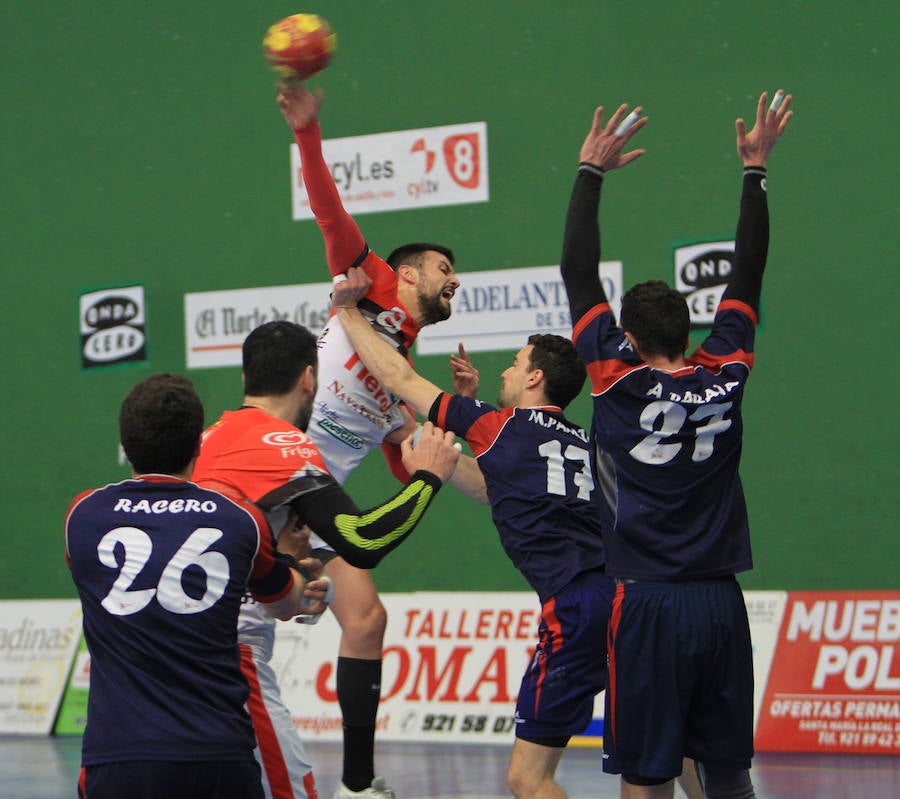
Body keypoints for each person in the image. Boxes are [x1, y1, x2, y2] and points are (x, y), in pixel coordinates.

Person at [330, 269, 702, 799]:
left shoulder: (497, 425)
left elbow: (399, 379)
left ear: (534, 379)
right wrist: (431, 448)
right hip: (637, 599)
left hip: (577, 606)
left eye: (514, 364)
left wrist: (346, 312)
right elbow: (492, 488)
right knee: (656, 759)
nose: (506, 372)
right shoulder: (587, 441)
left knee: (528, 780)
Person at [559, 91, 793, 799]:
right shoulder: (724, 369)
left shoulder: (612, 376)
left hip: (649, 601)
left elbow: (577, 270)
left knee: (648, 768)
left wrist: (589, 172)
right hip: (722, 602)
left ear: (628, 338)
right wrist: (754, 170)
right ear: (690, 333)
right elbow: (748, 268)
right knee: (726, 768)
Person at [275, 81, 469, 799]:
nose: (455, 282)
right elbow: (329, 209)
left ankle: (356, 784)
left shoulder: (400, 372)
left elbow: (403, 459)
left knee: (366, 618)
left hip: (317, 499)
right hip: (276, 474)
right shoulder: (372, 280)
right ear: (410, 270)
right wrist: (308, 132)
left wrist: (453, 422)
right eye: (447, 271)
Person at [191, 319, 461, 799]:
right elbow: (363, 541)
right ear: (309, 380)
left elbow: (230, 546)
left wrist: (289, 576)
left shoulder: (210, 439)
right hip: (230, 658)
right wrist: (429, 479)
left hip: (153, 654)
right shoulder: (287, 446)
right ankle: (356, 786)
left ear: (244, 380)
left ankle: (358, 783)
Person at [65, 374, 324, 799]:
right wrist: (306, 583)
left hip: (119, 757)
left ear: (126, 447)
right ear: (198, 447)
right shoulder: (239, 521)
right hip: (218, 755)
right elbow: (283, 601)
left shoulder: (83, 516)